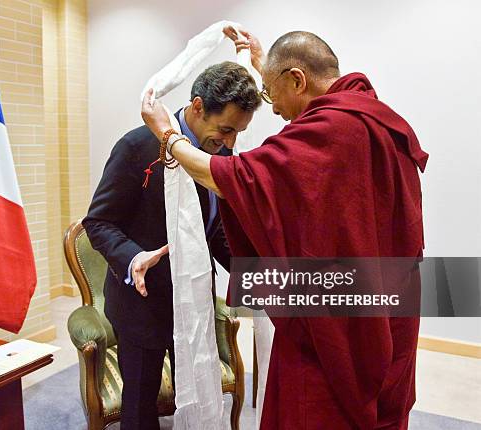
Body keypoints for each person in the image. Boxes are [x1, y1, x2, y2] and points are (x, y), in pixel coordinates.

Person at [141, 30, 428, 429]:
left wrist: (169, 137)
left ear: (297, 79)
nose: (274, 110)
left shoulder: (334, 130)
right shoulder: (374, 116)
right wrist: (265, 69)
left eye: (274, 94)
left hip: (338, 328)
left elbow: (235, 177)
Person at [83, 61, 261, 430]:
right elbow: (98, 222)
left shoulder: (218, 152)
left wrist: (252, 272)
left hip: (193, 303)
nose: (229, 143)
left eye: (237, 133)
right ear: (197, 107)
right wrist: (132, 257)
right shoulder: (136, 147)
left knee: (194, 395)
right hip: (142, 306)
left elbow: (212, 229)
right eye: (225, 129)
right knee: (140, 410)